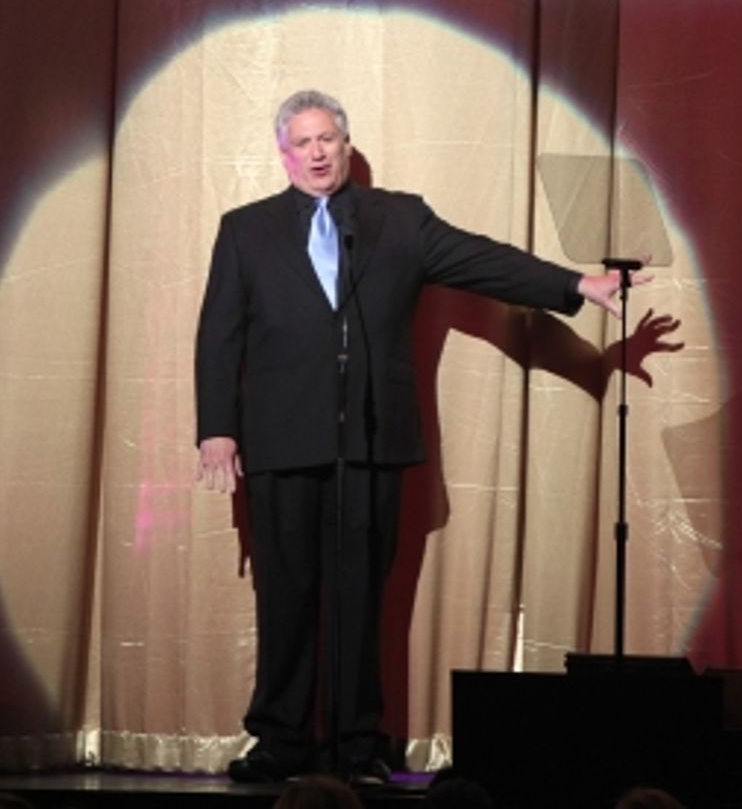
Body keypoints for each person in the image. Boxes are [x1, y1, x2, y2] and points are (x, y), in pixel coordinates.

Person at [196, 88, 624, 786]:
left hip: (371, 441)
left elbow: (484, 260)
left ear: (345, 143)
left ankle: (356, 746)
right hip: (280, 442)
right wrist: (216, 429)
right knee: (286, 596)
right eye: (301, 142)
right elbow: (219, 334)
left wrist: (576, 283)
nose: (316, 152)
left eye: (326, 138)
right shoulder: (245, 229)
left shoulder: (399, 219)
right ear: (282, 153)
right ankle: (279, 741)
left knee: (360, 599)